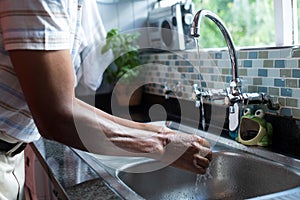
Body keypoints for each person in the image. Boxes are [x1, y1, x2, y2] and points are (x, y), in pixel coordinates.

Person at [0, 0, 212, 199]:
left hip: (12, 152)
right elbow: (57, 115)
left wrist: (163, 134)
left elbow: (65, 101)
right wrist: (163, 144)